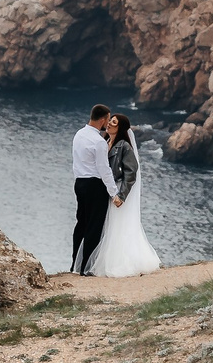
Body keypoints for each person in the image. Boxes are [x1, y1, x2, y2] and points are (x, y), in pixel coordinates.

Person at [86, 111, 162, 277]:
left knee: (118, 226)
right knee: (108, 227)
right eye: (110, 121)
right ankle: (104, 262)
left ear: (120, 128)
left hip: (117, 191)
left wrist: (121, 195)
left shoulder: (124, 146)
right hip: (106, 190)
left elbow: (131, 172)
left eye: (114, 122)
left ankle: (121, 264)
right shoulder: (105, 142)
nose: (109, 124)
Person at [69, 103, 117, 274]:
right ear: (103, 119)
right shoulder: (99, 142)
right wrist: (114, 193)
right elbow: (104, 170)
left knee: (81, 224)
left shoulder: (79, 134)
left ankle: (75, 264)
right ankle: (86, 267)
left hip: (79, 183)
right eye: (108, 120)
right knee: (94, 226)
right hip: (95, 186)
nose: (108, 123)